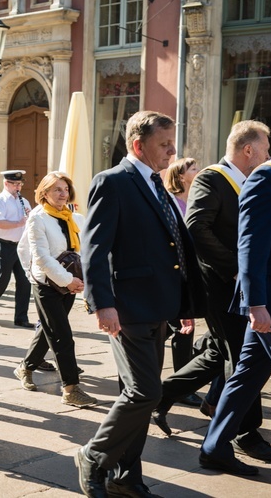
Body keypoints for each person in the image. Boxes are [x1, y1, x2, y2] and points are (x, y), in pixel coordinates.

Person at [76, 111, 204, 498]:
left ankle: (124, 477)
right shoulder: (112, 182)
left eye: (172, 142)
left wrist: (183, 301)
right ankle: (92, 457)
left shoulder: (155, 182)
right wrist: (102, 303)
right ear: (138, 145)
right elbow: (94, 249)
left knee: (134, 394)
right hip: (127, 307)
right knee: (144, 393)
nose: (172, 150)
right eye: (164, 144)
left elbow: (171, 246)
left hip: (158, 305)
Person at [151, 121, 271, 463]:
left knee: (219, 353)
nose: (268, 155)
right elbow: (197, 227)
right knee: (241, 356)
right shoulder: (212, 178)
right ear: (248, 150)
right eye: (266, 148)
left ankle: (168, 396)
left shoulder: (249, 181)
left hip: (241, 285)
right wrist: (236, 267)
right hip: (221, 285)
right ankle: (245, 432)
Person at [200, 113, 271, 476]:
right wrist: (256, 304)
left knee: (245, 377)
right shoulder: (266, 178)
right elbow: (251, 248)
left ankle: (213, 447)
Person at [13, 172, 96, 408]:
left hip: (68, 284)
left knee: (48, 331)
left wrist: (79, 280)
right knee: (62, 335)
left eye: (65, 189)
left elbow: (82, 252)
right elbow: (40, 257)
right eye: (57, 189)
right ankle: (71, 388)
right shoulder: (38, 219)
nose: (63, 194)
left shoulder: (74, 217)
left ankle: (25, 367)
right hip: (46, 285)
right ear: (45, 193)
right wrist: (67, 280)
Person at [162, 157, 201, 407]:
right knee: (184, 328)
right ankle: (181, 386)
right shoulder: (171, 202)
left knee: (173, 327)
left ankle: (181, 382)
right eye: (193, 169)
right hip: (176, 273)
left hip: (191, 272)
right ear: (181, 176)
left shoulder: (194, 199)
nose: (198, 171)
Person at [0, 170, 32, 328]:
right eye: (15, 184)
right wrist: (19, 223)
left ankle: (21, 317)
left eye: (20, 184)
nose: (18, 187)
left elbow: (29, 222)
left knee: (25, 282)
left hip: (20, 246)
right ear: (6, 183)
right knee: (0, 282)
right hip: (3, 245)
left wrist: (29, 218)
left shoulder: (24, 201)